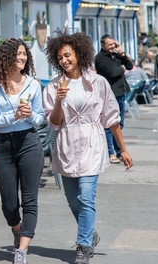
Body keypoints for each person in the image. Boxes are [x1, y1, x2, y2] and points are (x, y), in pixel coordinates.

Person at [42, 31, 133, 264]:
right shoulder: (53, 87)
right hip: (67, 145)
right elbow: (53, 123)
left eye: (67, 55)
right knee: (73, 200)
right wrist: (60, 100)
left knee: (86, 197)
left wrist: (123, 149)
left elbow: (112, 118)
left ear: (79, 54)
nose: (64, 60)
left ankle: (83, 246)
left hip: (92, 144)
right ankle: (90, 232)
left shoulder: (98, 82)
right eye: (60, 57)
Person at [0, 38, 45, 264]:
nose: (22, 57)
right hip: (2, 145)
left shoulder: (33, 85)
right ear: (6, 57)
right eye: (18, 54)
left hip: (29, 141)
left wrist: (29, 116)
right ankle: (17, 230)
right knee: (9, 203)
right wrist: (13, 116)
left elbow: (41, 118)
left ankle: (22, 250)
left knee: (30, 200)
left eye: (24, 54)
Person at [94, 34, 133, 164]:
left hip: (120, 92)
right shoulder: (100, 58)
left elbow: (129, 66)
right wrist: (121, 68)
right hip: (109, 93)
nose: (112, 47)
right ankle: (110, 152)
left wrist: (121, 52)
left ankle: (119, 151)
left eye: (113, 44)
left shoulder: (116, 55)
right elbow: (112, 72)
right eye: (110, 45)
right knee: (109, 124)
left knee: (119, 124)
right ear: (102, 45)